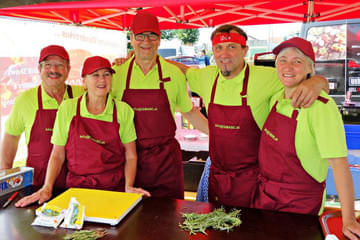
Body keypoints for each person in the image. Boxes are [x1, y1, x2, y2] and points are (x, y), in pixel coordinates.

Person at [169, 24, 329, 208]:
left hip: (253, 179)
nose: (224, 54)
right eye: (219, 48)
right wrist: (144, 57)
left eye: (232, 47)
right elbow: (179, 69)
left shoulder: (267, 77)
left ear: (245, 50)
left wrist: (318, 81)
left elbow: (303, 77)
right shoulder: (206, 76)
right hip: (217, 176)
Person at [252, 37, 360, 239]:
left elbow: (339, 164)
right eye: (282, 60)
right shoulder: (276, 98)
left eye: (297, 61)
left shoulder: (321, 107)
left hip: (300, 207)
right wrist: (319, 81)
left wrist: (349, 219)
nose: (288, 66)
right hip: (265, 199)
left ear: (310, 68)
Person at [15, 56, 150, 207]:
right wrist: (47, 187)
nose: (102, 80)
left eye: (106, 74)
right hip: (77, 191)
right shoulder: (68, 108)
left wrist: (129, 186)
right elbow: (58, 154)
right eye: (95, 75)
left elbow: (130, 155)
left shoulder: (123, 110)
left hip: (113, 189)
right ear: (84, 81)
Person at [111, 12, 209, 199]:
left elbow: (190, 112)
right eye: (140, 36)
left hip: (165, 164)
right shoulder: (117, 74)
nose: (146, 41)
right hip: (128, 160)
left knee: (169, 218)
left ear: (159, 39)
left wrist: (220, 137)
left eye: (152, 35)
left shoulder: (174, 73)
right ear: (131, 39)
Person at [0, 45, 84, 188]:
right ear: (39, 69)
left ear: (68, 70)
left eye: (59, 65)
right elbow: (11, 138)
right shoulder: (25, 100)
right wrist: (4, 180)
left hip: (78, 183)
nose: (53, 70)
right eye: (48, 65)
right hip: (38, 185)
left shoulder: (82, 94)